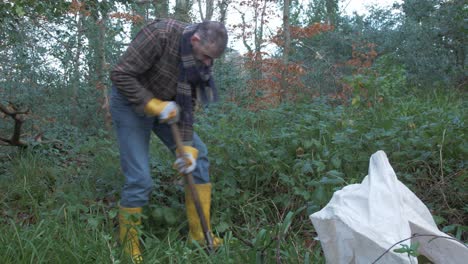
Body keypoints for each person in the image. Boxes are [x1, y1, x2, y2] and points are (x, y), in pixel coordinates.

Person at [110, 18, 228, 261]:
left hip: (170, 106)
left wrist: (185, 148)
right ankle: (128, 248)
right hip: (131, 103)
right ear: (195, 40)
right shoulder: (160, 35)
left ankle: (199, 235)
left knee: (200, 155)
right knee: (140, 178)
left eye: (212, 59)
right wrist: (153, 105)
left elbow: (188, 103)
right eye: (206, 56)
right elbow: (120, 74)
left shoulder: (200, 60)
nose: (208, 64)